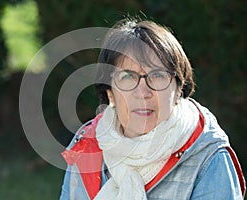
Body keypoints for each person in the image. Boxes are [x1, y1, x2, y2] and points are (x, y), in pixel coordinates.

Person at [59, 18, 246, 200]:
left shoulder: (208, 156)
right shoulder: (86, 143)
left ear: (179, 88)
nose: (143, 92)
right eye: (127, 77)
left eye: (157, 75)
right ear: (109, 92)